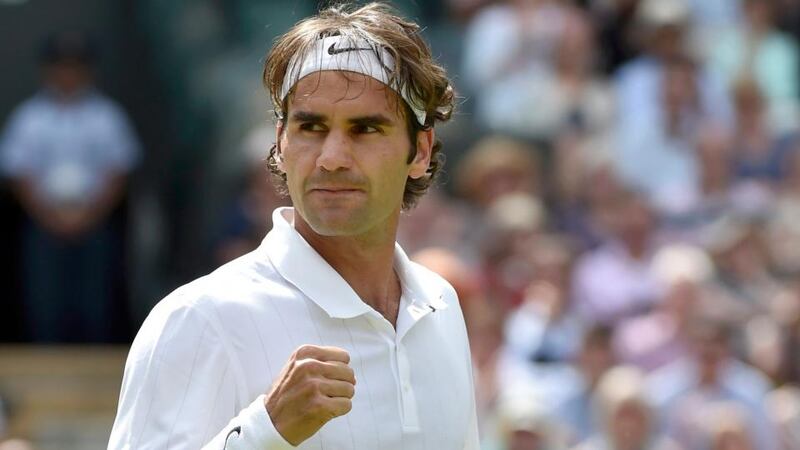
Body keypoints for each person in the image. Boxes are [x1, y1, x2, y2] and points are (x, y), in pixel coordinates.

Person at [108, 3, 478, 449]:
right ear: (280, 144)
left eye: (365, 129)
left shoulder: (442, 306)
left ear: (420, 151)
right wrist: (266, 433)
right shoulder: (197, 318)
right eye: (311, 127)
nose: (331, 158)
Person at [0, 31, 140, 342]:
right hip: (43, 220)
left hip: (94, 218)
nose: (68, 74)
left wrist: (87, 216)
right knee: (44, 299)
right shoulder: (29, 118)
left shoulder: (106, 116)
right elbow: (19, 174)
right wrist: (50, 217)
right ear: (48, 71)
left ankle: (95, 375)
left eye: (75, 66)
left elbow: (118, 172)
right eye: (61, 66)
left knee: (95, 299)